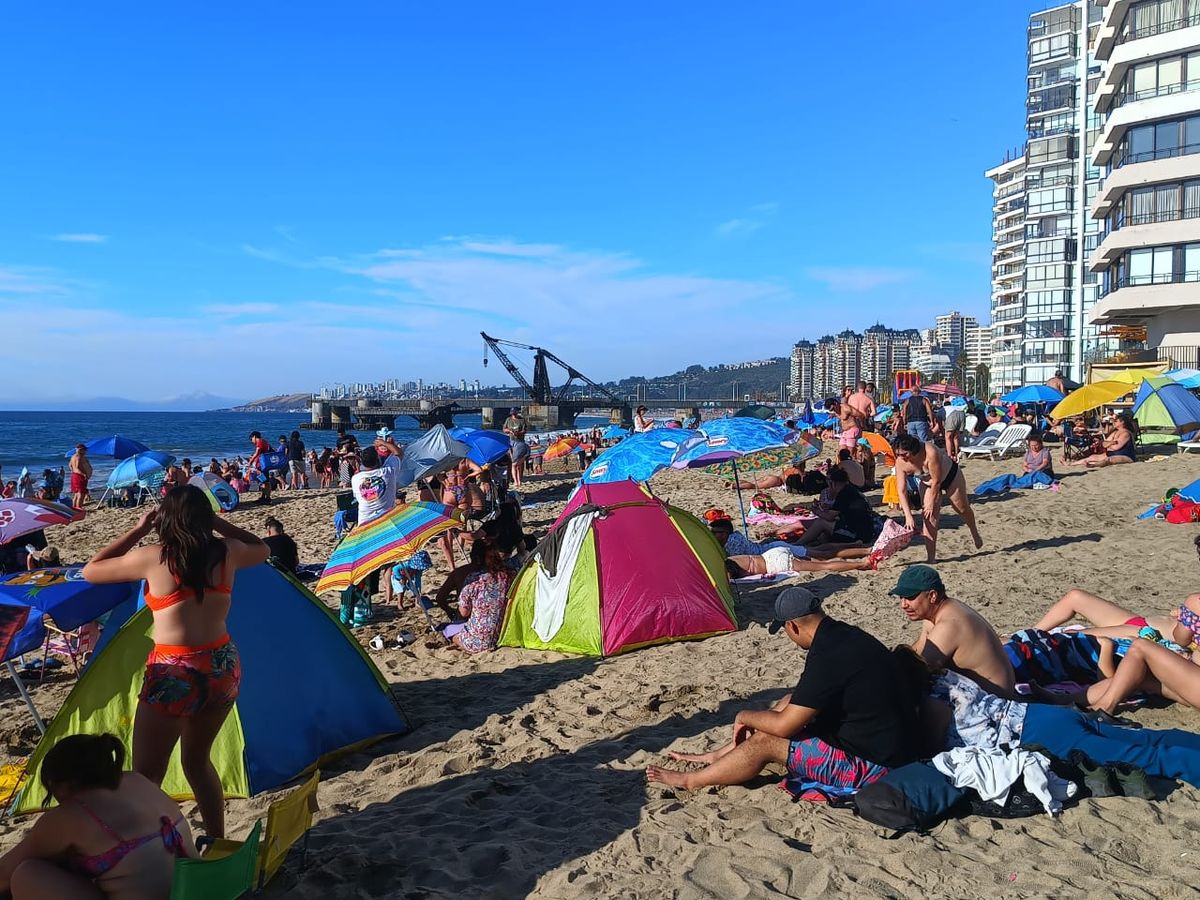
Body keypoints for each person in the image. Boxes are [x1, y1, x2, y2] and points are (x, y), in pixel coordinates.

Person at [81, 486, 270, 838]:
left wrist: (138, 530)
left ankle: (154, 845)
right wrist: (220, 524)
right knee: (198, 762)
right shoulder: (227, 552)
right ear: (204, 518)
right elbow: (264, 548)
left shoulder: (154, 557)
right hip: (221, 664)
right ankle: (217, 840)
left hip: (174, 671)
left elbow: (91, 570)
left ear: (165, 519)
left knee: (147, 775)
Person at [646, 588, 918, 794]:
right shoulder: (843, 634)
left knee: (767, 740)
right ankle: (721, 757)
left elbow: (785, 727)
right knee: (788, 701)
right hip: (889, 740)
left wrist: (743, 715)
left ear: (793, 626)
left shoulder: (826, 655)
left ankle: (691, 780)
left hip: (876, 766)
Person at [912, 655, 1200, 789]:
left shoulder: (930, 702)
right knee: (1144, 739)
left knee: (1143, 758)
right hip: (1039, 714)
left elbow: (932, 746)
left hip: (1035, 734)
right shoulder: (945, 677)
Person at [0, 733, 196, 899]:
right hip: (198, 892)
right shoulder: (138, 781)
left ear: (61, 785)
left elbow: (4, 874)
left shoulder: (74, 813)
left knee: (26, 875)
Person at [890, 565, 1017, 698]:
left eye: (910, 597)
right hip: (987, 691)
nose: (903, 605)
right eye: (901, 597)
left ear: (932, 595)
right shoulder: (936, 613)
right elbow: (918, 650)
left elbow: (920, 668)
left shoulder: (949, 624)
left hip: (994, 701)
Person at [892, 433, 983, 563]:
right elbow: (901, 490)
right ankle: (931, 558)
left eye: (905, 454)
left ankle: (974, 531)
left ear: (913, 450)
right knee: (929, 517)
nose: (902, 458)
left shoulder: (930, 452)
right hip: (926, 482)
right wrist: (908, 516)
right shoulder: (901, 462)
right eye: (899, 454)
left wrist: (930, 503)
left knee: (961, 508)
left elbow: (937, 481)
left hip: (950, 475)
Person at [443, 540, 513, 653]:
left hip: (479, 641)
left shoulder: (474, 579)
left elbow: (463, 612)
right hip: (504, 633)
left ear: (475, 557)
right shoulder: (509, 574)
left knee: (449, 630)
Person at [708, 516, 869, 564]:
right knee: (821, 552)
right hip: (773, 548)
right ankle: (856, 546)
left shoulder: (731, 542)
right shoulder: (734, 536)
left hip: (774, 552)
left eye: (716, 532)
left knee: (824, 556)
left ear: (724, 533)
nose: (714, 535)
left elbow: (733, 561)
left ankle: (864, 550)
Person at [789, 468, 877, 549]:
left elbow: (829, 517)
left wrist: (816, 511)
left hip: (857, 534)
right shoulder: (851, 490)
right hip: (866, 530)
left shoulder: (843, 494)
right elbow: (838, 512)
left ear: (833, 483)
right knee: (825, 528)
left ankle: (798, 544)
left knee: (821, 522)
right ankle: (810, 542)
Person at [351, 435, 404, 526]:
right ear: (377, 459)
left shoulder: (355, 479)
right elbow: (399, 453)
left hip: (364, 521)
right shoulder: (387, 472)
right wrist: (385, 443)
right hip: (386, 519)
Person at [1071, 412, 1136, 468]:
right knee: (1092, 457)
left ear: (1122, 422)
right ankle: (1071, 464)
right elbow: (1104, 444)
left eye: (1116, 421)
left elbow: (1116, 447)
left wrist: (1108, 444)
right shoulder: (1115, 432)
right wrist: (1110, 443)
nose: (1114, 423)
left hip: (1125, 455)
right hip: (1112, 453)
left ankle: (1093, 465)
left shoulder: (1126, 433)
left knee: (1108, 460)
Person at [69, 443, 92, 509]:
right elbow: (77, 467)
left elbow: (70, 465)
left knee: (76, 493)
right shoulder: (79, 457)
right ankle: (79, 508)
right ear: (81, 450)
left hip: (74, 476)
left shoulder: (73, 456)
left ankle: (74, 508)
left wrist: (73, 471)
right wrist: (83, 474)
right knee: (81, 494)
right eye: (84, 450)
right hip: (79, 476)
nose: (85, 451)